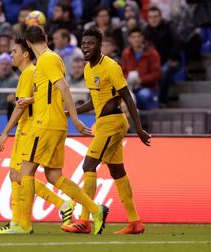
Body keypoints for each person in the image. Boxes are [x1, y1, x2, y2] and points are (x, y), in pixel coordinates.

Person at [11, 25, 108, 235]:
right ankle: (96, 209)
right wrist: (31, 99)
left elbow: (63, 86)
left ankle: (23, 225)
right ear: (45, 37)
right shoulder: (50, 60)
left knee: (24, 172)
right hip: (54, 124)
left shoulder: (47, 59)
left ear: (28, 43)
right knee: (54, 175)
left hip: (45, 123)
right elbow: (50, 92)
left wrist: (75, 118)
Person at [61, 27, 151, 234]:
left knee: (89, 164)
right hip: (102, 122)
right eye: (84, 44)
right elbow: (95, 100)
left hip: (113, 122)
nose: (86, 47)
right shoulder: (88, 69)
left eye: (91, 43)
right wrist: (70, 112)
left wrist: (139, 128)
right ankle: (135, 222)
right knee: (117, 170)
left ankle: (84, 220)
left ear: (100, 46)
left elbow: (127, 96)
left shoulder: (111, 67)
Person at [0, 37, 75, 234]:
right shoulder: (28, 73)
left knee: (21, 175)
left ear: (25, 54)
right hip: (26, 129)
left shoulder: (29, 73)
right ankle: (16, 221)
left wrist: (5, 132)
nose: (10, 54)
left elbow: (20, 108)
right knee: (15, 175)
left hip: (31, 129)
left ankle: (60, 205)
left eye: (14, 51)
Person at [121, 27, 161, 110]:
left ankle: (147, 120)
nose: (136, 39)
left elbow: (157, 74)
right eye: (133, 37)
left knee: (143, 95)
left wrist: (141, 80)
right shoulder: (125, 53)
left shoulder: (152, 53)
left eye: (139, 36)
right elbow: (122, 72)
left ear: (143, 38)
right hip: (130, 87)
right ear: (129, 39)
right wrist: (126, 79)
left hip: (148, 88)